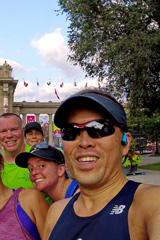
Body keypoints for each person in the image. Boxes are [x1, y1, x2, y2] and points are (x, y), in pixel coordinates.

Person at [44, 88, 160, 239]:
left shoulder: (151, 204)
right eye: (70, 131)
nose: (84, 143)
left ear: (125, 143)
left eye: (99, 128)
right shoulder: (56, 214)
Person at [0, 113, 33, 189]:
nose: (9, 135)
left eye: (14, 130)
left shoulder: (38, 156)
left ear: (23, 131)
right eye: (3, 131)